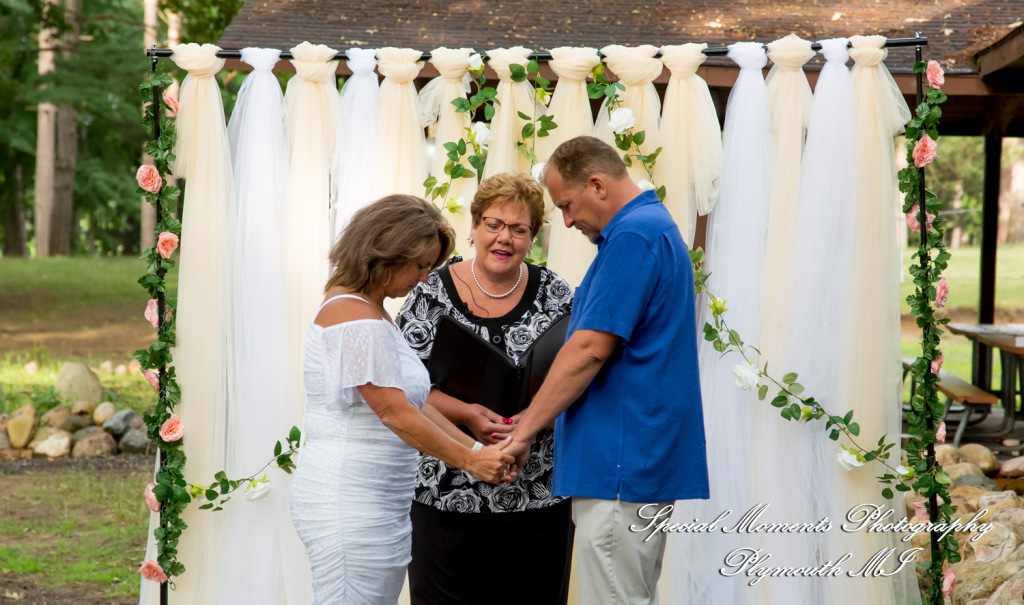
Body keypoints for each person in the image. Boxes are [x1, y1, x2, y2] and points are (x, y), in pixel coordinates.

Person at [505, 136, 709, 605]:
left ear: (597, 185)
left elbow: (589, 349)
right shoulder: (649, 228)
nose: (567, 220)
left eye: (567, 205)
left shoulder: (633, 236)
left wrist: (524, 431)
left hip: (620, 458)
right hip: (632, 455)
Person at [289, 195, 515, 605]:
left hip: (378, 501)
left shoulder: (370, 310)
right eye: (419, 265)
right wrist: (470, 462)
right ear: (385, 253)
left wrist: (478, 450)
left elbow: (412, 404)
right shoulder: (354, 317)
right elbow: (392, 412)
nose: (425, 278)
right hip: (350, 502)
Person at [396, 172, 575, 605]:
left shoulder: (556, 293)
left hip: (537, 495)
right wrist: (467, 413)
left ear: (533, 237)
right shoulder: (429, 292)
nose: (504, 238)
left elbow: (576, 377)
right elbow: (401, 386)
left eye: (519, 229)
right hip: (444, 493)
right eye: (493, 224)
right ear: (474, 227)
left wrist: (531, 422)